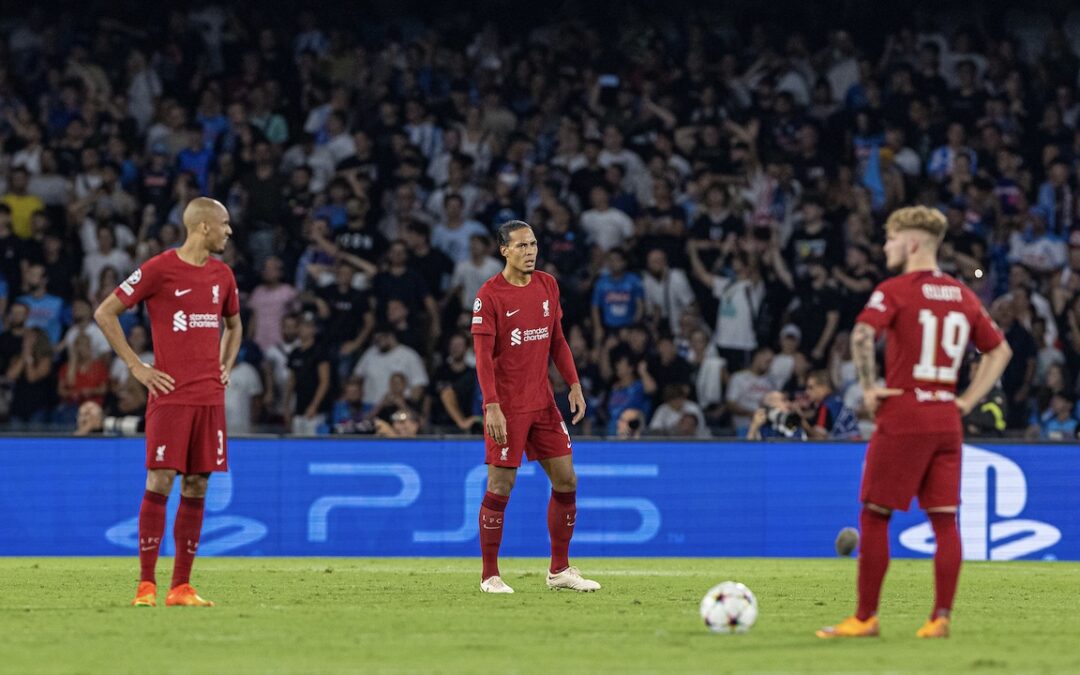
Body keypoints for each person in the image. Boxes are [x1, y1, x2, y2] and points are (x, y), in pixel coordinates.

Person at [818, 206, 1011, 640]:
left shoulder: (895, 290)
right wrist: (965, 400)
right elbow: (1000, 351)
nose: (886, 246)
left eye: (890, 238)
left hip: (905, 412)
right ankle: (940, 617)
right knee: (945, 521)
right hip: (946, 416)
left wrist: (869, 387)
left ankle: (864, 618)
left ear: (911, 242)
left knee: (875, 515)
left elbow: (863, 334)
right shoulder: (964, 295)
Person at [94, 196, 241, 608]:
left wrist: (225, 364)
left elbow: (235, 325)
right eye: (225, 223)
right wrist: (136, 367)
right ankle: (146, 585)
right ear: (205, 227)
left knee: (197, 484)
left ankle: (181, 587)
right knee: (160, 479)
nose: (230, 231)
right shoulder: (159, 269)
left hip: (209, 398)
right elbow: (105, 312)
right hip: (170, 396)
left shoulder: (223, 275)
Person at [470, 219, 600, 594]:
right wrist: (491, 405)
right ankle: (490, 575)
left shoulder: (548, 285)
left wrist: (573, 384)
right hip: (507, 406)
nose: (530, 252)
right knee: (501, 484)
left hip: (543, 403)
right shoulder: (490, 295)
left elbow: (557, 339)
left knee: (566, 479)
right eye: (522, 246)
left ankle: (559, 569)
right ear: (504, 251)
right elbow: (481, 357)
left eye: (533, 245)